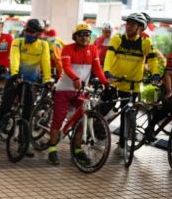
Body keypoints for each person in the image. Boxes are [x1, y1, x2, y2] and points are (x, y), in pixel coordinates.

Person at [46, 24, 109, 166]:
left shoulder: (93, 49)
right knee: (58, 118)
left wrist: (106, 82)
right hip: (64, 89)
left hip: (82, 90)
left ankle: (78, 150)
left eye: (87, 34)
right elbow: (66, 67)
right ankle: (52, 149)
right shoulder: (68, 48)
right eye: (81, 34)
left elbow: (97, 68)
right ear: (75, 36)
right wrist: (75, 78)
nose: (84, 37)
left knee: (82, 121)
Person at [103, 12, 160, 154]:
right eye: (127, 23)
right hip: (116, 81)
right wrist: (107, 72)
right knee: (106, 106)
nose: (128, 26)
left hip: (133, 84)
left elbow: (153, 60)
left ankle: (122, 144)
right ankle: (99, 125)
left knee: (127, 115)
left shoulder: (145, 43)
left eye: (132, 24)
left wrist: (156, 74)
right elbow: (109, 56)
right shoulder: (117, 39)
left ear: (140, 27)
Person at [0, 18, 52, 157]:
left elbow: (46, 62)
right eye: (28, 31)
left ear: (38, 33)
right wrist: (14, 74)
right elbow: (14, 59)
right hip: (15, 80)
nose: (29, 34)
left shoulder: (43, 45)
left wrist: (48, 80)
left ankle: (23, 143)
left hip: (30, 83)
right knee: (5, 107)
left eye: (33, 32)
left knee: (27, 114)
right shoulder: (17, 42)